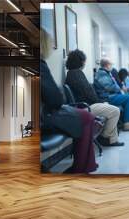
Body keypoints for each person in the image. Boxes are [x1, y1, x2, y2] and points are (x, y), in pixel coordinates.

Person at [40, 31, 97, 173]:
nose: (53, 46)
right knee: (87, 117)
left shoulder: (73, 73)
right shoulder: (41, 64)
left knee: (88, 116)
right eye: (51, 43)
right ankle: (81, 167)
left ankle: (84, 166)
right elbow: (54, 98)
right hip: (45, 115)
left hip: (43, 112)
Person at [65, 49, 124, 147]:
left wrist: (101, 102)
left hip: (85, 105)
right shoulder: (76, 74)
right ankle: (104, 136)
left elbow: (88, 92)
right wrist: (101, 102)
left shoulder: (72, 73)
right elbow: (88, 93)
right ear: (80, 61)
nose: (84, 63)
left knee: (111, 109)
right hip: (85, 107)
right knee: (115, 111)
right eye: (84, 61)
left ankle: (112, 140)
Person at [94, 59, 129, 131]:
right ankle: (127, 124)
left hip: (110, 95)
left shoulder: (106, 73)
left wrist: (119, 89)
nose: (112, 66)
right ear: (107, 65)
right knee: (128, 98)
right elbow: (109, 87)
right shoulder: (102, 73)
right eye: (111, 64)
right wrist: (119, 89)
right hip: (106, 97)